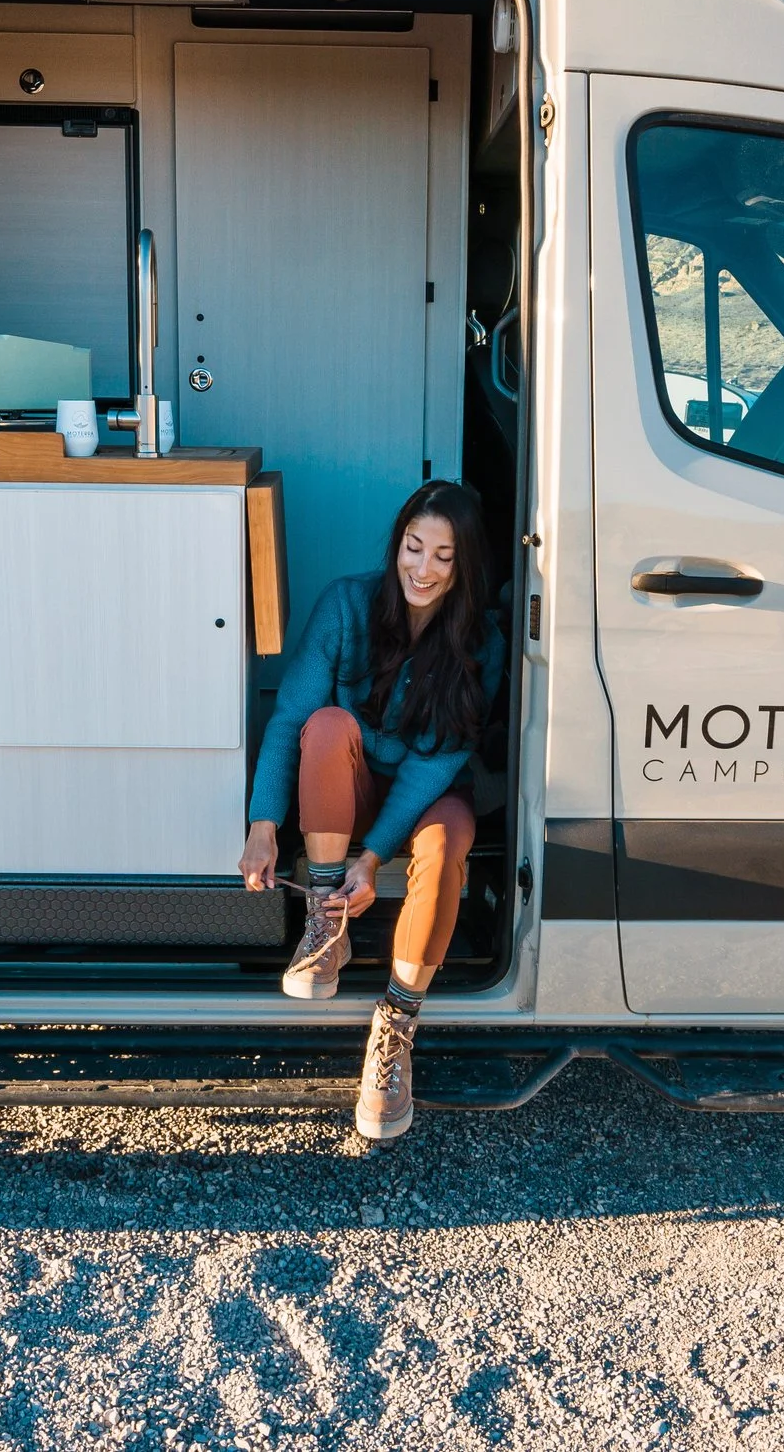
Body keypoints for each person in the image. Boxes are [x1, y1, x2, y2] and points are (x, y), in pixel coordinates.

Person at [239, 480, 505, 1141]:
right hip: (348, 787)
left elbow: (436, 762)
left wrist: (375, 854)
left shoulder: (483, 639)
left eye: (444, 556)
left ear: (465, 563)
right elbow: (290, 720)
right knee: (327, 725)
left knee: (446, 847)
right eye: (414, 547)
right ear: (398, 544)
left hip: (428, 790)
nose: (423, 568)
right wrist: (263, 825)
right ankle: (325, 922)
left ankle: (395, 1030)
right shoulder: (347, 604)